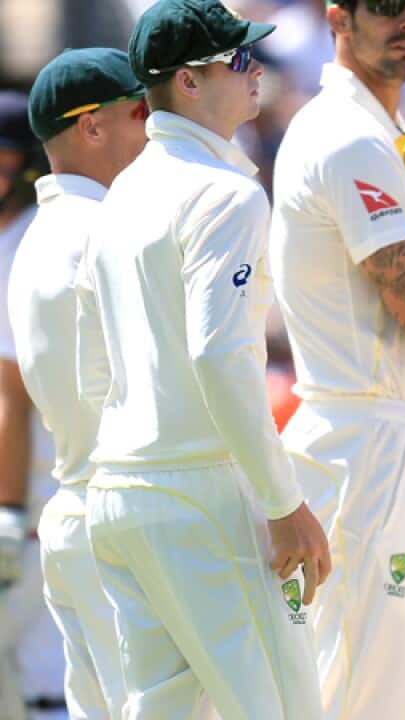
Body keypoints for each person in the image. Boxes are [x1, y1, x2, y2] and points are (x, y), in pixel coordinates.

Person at [76, 1, 329, 717]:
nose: (258, 72)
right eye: (240, 60)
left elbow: (92, 372)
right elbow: (220, 357)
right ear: (188, 81)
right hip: (200, 492)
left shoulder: (118, 197)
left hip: (119, 492)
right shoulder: (225, 194)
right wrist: (283, 504)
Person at [269, 0, 405, 717]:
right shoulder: (348, 136)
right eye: (389, 6)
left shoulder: (393, 138)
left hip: (392, 436)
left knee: (381, 691)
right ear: (337, 16)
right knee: (359, 694)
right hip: (367, 441)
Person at [9, 48, 148, 720]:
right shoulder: (102, 232)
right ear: (91, 126)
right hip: (116, 512)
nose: (155, 125)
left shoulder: (39, 233)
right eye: (140, 111)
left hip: (70, 506)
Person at [0, 89, 61, 720]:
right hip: (25, 497)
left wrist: (9, 513)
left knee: (45, 683)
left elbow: (10, 399)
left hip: (36, 497)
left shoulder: (28, 244)